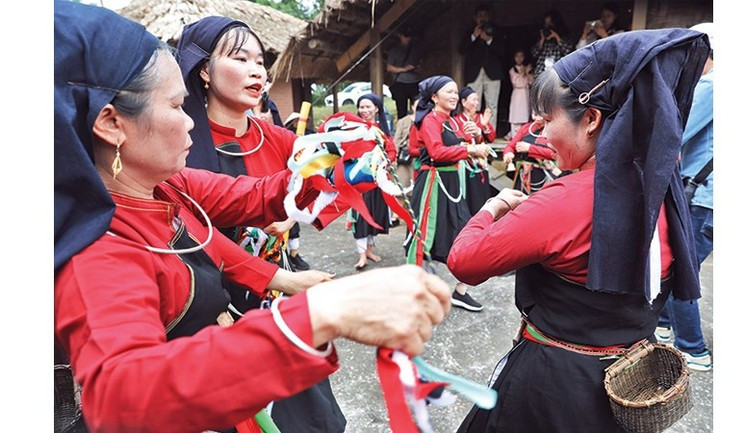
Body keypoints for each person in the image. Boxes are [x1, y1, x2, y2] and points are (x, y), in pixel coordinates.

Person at [53, 3, 452, 432]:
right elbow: (123, 395)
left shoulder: (165, 187)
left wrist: (338, 163)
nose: (190, 123)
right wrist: (321, 312)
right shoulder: (98, 248)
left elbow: (255, 195)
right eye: (174, 106)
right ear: (112, 124)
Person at [448, 28, 710, 432]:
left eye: (547, 119)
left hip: (553, 388)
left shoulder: (563, 201)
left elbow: (464, 262)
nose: (539, 131)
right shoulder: (662, 189)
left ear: (591, 119)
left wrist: (491, 207)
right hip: (627, 379)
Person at [176, 16, 342, 431]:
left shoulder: (281, 140)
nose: (258, 70)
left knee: (307, 418)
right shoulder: (179, 144)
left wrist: (288, 220)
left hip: (275, 298)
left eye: (260, 61)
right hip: (207, 305)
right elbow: (176, 232)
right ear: (203, 71)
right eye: (240, 58)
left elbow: (325, 194)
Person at [655, 22, 715, 372]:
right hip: (708, 195)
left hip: (705, 197)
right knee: (678, 260)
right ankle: (663, 324)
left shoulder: (710, 84)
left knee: (680, 270)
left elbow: (676, 130)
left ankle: (693, 347)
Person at [405, 76, 491, 313]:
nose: (454, 96)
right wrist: (470, 148)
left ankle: (460, 291)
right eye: (448, 92)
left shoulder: (451, 121)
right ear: (434, 97)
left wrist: (476, 135)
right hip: (433, 184)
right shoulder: (430, 120)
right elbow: (437, 152)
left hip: (453, 184)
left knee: (465, 233)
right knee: (425, 235)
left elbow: (465, 146)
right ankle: (414, 292)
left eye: (455, 92)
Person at [350, 93, 397, 270]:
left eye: (368, 106)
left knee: (374, 213)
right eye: (362, 107)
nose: (364, 110)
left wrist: (386, 161)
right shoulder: (354, 128)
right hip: (360, 179)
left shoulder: (382, 130)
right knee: (361, 216)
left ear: (377, 109)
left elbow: (391, 151)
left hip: (377, 179)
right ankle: (361, 255)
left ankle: (369, 249)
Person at [458, 2, 506, 130]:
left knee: (492, 105)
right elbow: (461, 50)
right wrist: (474, 36)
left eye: (485, 15)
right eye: (480, 16)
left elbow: (504, 51)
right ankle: (472, 132)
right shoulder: (470, 31)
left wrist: (489, 40)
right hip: (474, 74)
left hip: (493, 73)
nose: (482, 18)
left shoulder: (497, 30)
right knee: (472, 104)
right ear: (475, 17)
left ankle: (491, 133)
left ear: (489, 16)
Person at [452, 86, 496, 215]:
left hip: (481, 162)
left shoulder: (480, 118)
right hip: (465, 163)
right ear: (464, 102)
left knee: (481, 193)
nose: (477, 103)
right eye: (473, 100)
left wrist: (484, 125)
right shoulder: (456, 120)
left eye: (478, 100)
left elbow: (491, 138)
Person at [502, 113, 559, 194]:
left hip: (545, 174)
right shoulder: (526, 128)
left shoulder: (554, 130)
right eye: (535, 114)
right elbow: (510, 146)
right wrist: (508, 154)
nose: (538, 118)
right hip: (525, 174)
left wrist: (530, 148)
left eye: (541, 115)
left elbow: (555, 154)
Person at [391, 97, 419, 226]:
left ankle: (414, 215)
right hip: (404, 156)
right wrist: (394, 157)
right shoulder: (403, 121)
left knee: (417, 187)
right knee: (401, 185)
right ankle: (396, 215)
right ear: (412, 106)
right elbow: (397, 140)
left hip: (419, 157)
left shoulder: (426, 120)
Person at [386, 25, 423, 121]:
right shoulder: (394, 50)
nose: (408, 39)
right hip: (400, 83)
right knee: (401, 111)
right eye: (405, 36)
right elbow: (389, 68)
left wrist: (417, 68)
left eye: (409, 37)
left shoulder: (416, 50)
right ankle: (402, 131)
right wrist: (404, 69)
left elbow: (422, 64)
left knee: (418, 107)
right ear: (400, 36)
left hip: (415, 82)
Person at [531, 10, 573, 78]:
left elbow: (567, 51)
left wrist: (556, 36)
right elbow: (534, 53)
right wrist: (542, 39)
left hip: (557, 75)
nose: (548, 26)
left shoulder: (564, 36)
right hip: (541, 74)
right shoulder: (542, 37)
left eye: (550, 23)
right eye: (546, 23)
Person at [507, 48, 534, 137]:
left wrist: (527, 73)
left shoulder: (526, 69)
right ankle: (514, 135)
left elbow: (531, 82)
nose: (519, 58)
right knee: (516, 115)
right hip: (517, 94)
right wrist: (524, 73)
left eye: (521, 56)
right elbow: (518, 83)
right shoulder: (512, 70)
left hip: (526, 94)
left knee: (525, 114)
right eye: (517, 56)